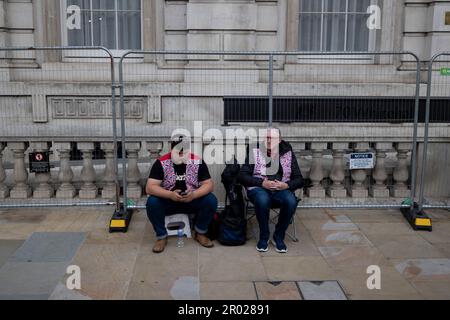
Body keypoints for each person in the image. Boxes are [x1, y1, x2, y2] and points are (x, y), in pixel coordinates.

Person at [145, 136, 218, 253]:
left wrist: (194, 195)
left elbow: (209, 184)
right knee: (152, 202)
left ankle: (200, 232)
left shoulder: (197, 161)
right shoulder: (161, 162)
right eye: (177, 152)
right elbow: (150, 187)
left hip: (190, 200)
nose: (180, 155)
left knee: (211, 200)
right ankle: (161, 236)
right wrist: (169, 195)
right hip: (169, 201)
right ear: (171, 149)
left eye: (183, 152)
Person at [238, 128, 304, 253]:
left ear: (279, 140)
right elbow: (242, 176)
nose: (268, 140)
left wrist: (286, 185)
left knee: (291, 201)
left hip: (281, 188)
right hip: (259, 188)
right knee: (263, 200)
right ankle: (264, 236)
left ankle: (278, 236)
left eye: (272, 138)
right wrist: (262, 183)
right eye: (266, 137)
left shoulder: (287, 152)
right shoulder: (255, 151)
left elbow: (299, 179)